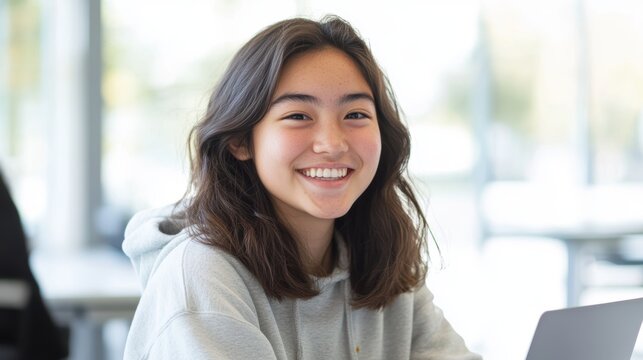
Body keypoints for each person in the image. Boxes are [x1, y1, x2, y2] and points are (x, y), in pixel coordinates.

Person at [122, 16, 482, 360]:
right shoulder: (204, 276)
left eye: (355, 115)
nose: (333, 143)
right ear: (240, 141)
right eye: (298, 116)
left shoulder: (378, 261)